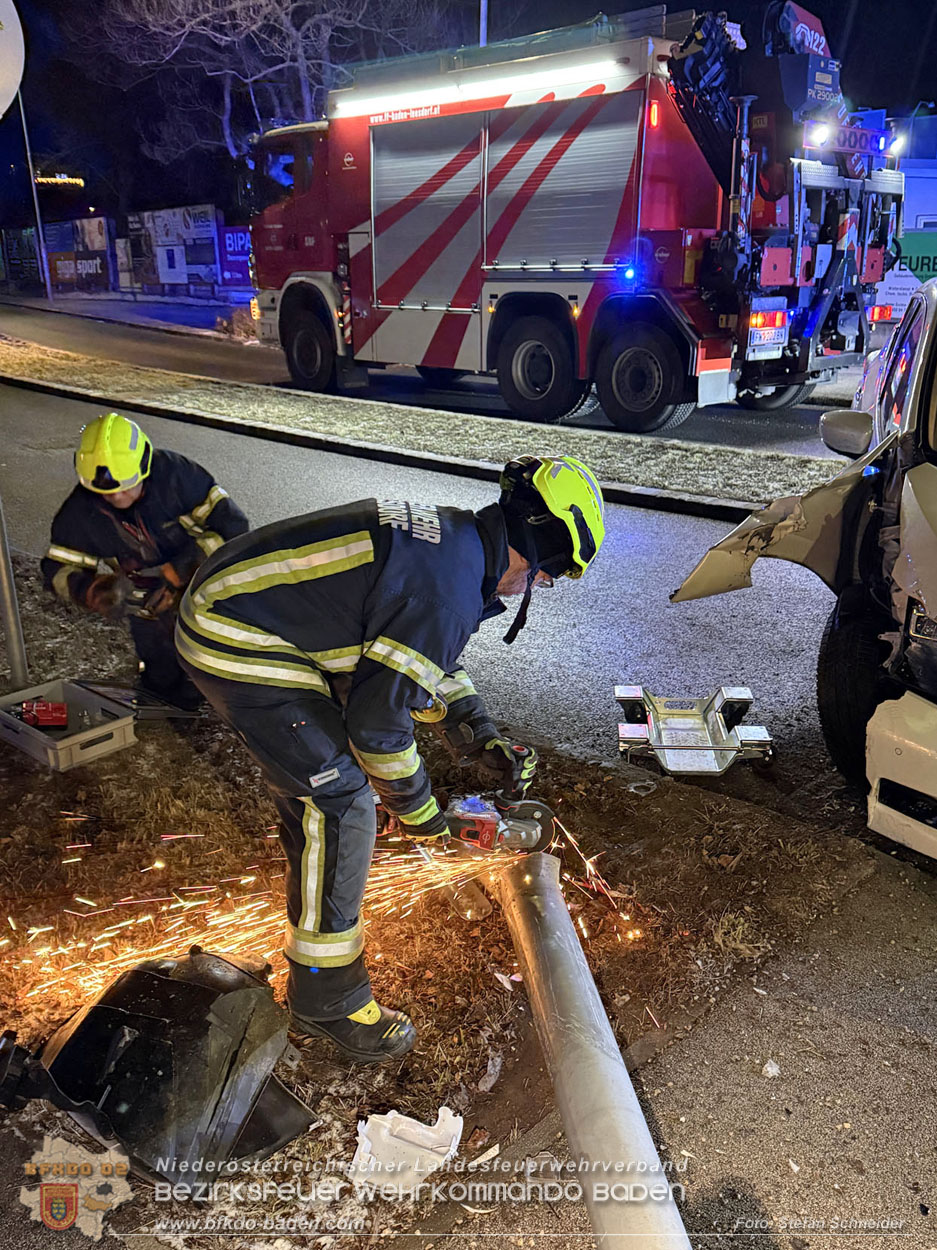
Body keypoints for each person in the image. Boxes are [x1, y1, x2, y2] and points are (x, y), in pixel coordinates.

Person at [175, 455, 605, 1062]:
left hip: (240, 605)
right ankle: (327, 1000)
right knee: (339, 800)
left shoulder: (459, 543)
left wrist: (477, 734)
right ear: (539, 554)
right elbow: (377, 726)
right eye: (551, 577)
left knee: (329, 794)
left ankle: (317, 892)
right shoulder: (447, 591)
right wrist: (422, 815)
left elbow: (418, 654)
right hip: (235, 636)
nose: (541, 588)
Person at [42, 413, 249, 708]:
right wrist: (95, 591)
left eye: (127, 484)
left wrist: (180, 571)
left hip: (205, 586)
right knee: (159, 665)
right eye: (106, 491)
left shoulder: (178, 478)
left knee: (215, 658)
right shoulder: (82, 511)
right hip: (145, 602)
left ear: (144, 464)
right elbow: (57, 568)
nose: (118, 496)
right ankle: (167, 703)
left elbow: (234, 527)